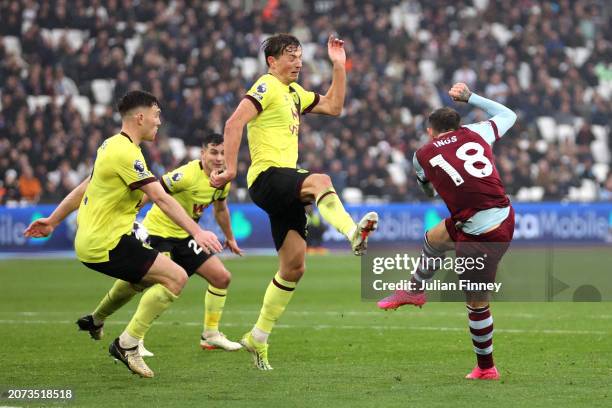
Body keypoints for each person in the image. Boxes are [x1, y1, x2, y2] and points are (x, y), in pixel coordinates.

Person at [24, 90, 223, 378]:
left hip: (106, 238)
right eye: (156, 115)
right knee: (176, 277)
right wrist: (198, 231)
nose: (159, 121)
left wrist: (54, 220)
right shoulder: (126, 153)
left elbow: (86, 186)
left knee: (139, 282)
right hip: (106, 242)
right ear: (140, 117)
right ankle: (127, 345)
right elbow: (161, 197)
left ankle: (96, 320)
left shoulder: (110, 146)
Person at [211, 33, 378, 370]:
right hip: (267, 177)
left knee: (294, 267)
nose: (298, 62)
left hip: (283, 185)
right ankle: (352, 234)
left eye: (300, 56)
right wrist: (230, 168)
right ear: (272, 61)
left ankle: (257, 336)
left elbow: (334, 106)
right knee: (321, 181)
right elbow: (234, 121)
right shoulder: (266, 85)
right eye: (291, 56)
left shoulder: (293, 93)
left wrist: (339, 66)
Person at [377, 82, 517, 381]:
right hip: (499, 214)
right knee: (434, 237)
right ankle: (414, 291)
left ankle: (486, 368)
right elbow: (508, 115)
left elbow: (428, 193)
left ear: (430, 130)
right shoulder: (477, 132)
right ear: (460, 124)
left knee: (476, 303)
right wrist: (471, 97)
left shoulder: (422, 154)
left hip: (485, 234)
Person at [77, 133, 243, 354]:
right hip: (157, 233)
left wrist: (229, 237)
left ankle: (210, 334)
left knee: (222, 278)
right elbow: (153, 192)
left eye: (223, 153)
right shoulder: (185, 175)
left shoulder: (222, 180)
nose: (219, 158)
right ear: (202, 153)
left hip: (185, 237)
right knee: (155, 282)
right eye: (213, 152)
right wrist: (131, 212)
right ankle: (132, 338)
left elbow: (221, 209)